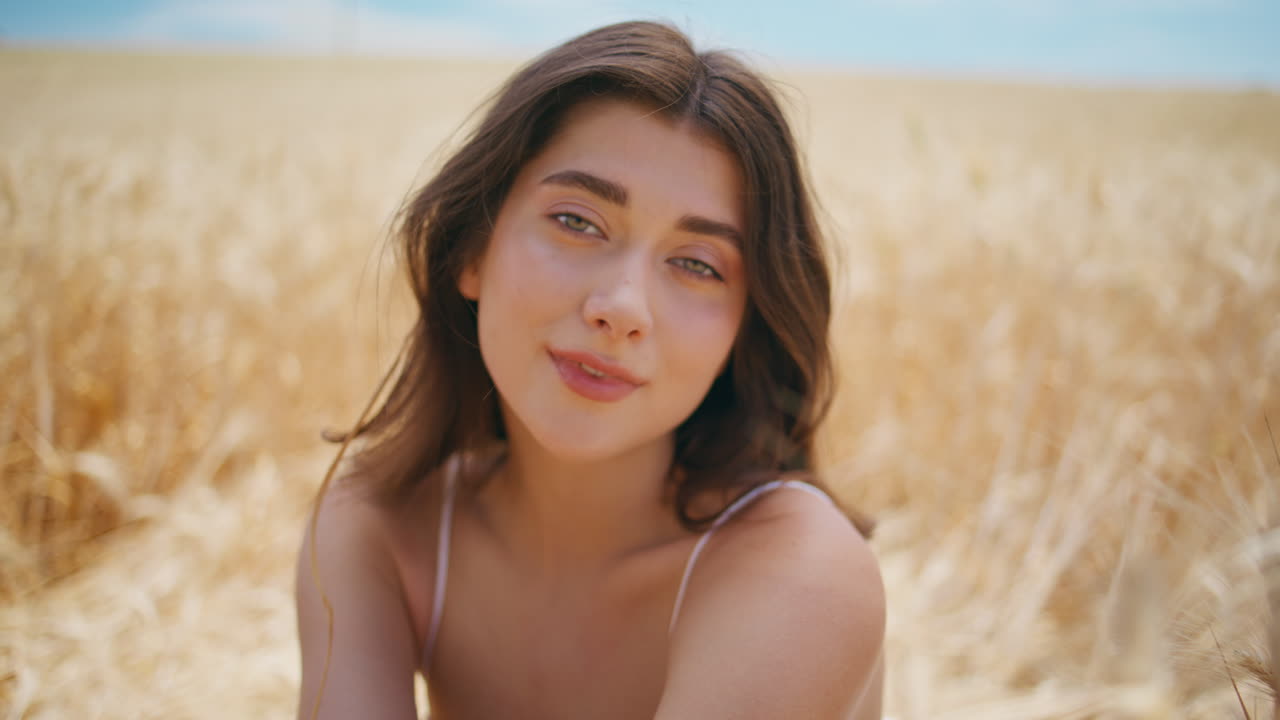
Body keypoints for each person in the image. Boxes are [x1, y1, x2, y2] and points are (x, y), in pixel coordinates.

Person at [295, 19, 886, 720]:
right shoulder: (377, 525)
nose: (623, 308)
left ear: (742, 328)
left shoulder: (800, 571)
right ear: (473, 249)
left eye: (697, 264)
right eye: (578, 221)